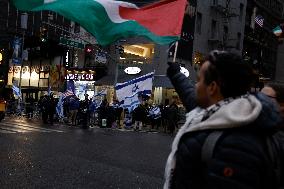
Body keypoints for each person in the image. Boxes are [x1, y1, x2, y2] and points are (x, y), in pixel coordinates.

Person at [164, 50, 282, 189]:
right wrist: (176, 74)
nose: (195, 86)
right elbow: (189, 94)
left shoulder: (235, 146)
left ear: (212, 87)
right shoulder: (218, 111)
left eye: (199, 80)